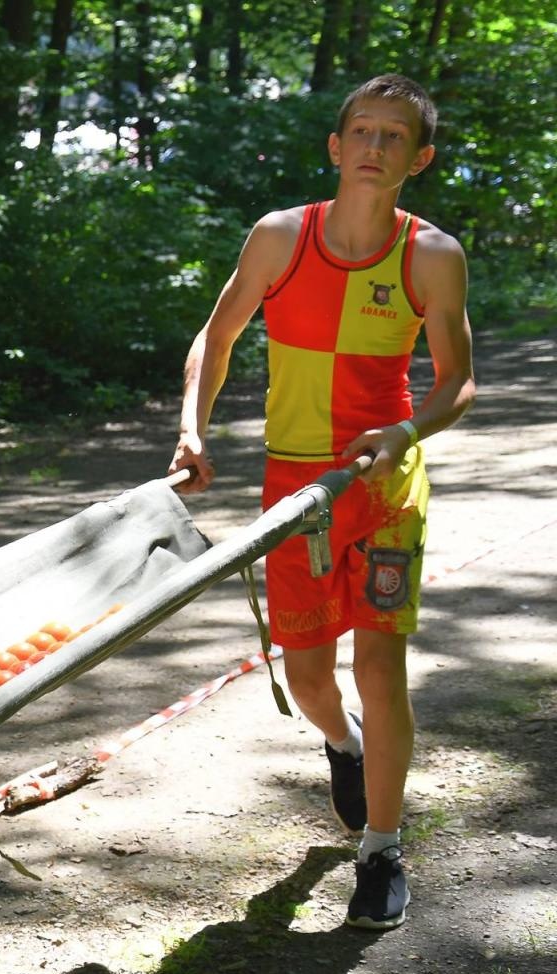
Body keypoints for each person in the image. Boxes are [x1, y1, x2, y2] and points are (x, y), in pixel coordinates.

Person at [169, 74, 476, 930]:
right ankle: (340, 744)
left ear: (419, 158)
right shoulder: (279, 238)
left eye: (395, 136)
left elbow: (458, 383)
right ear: (337, 149)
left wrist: (405, 434)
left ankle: (380, 850)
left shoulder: (431, 255)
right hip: (293, 495)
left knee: (380, 665)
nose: (375, 147)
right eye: (362, 132)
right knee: (308, 676)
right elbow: (218, 334)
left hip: (382, 493)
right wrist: (193, 430)